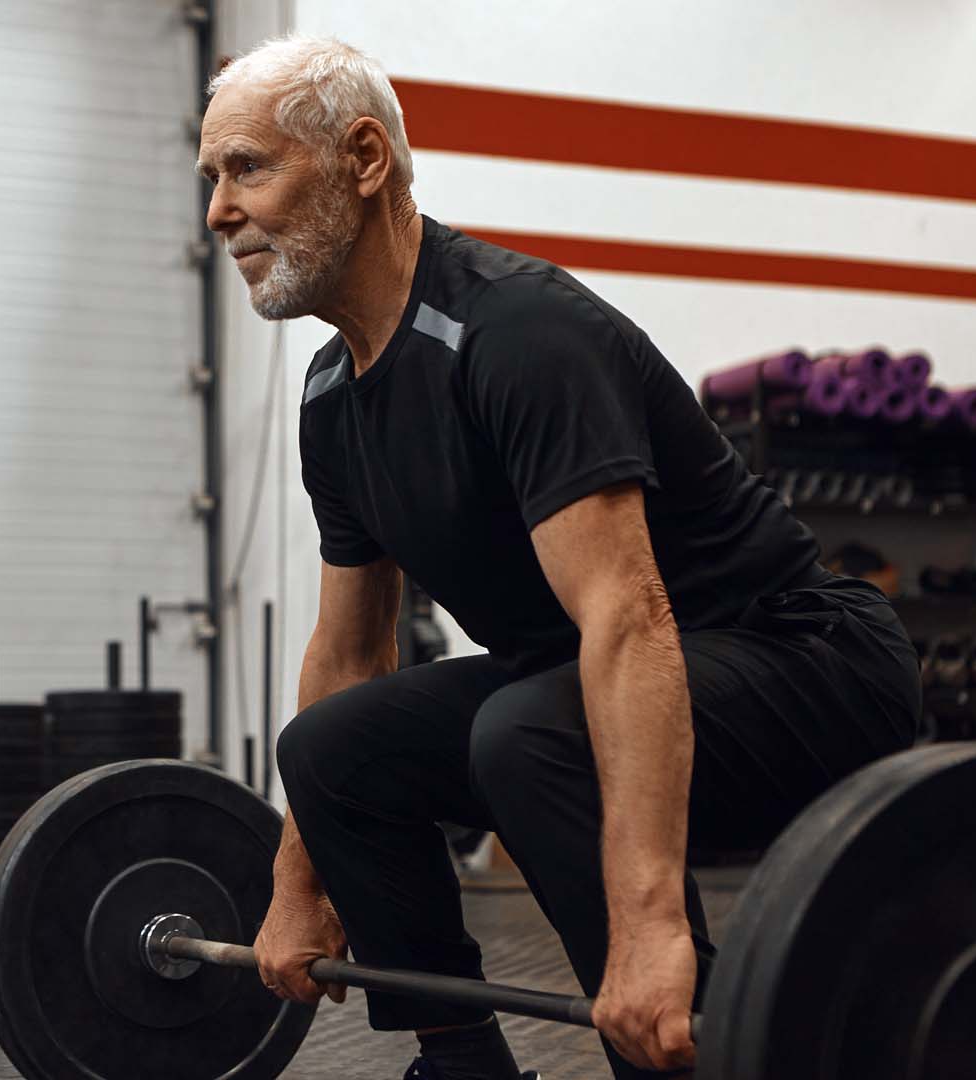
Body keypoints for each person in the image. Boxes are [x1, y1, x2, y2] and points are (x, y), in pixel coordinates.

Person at [195, 34, 921, 1080]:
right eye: (213, 177)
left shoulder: (519, 333)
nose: (218, 211)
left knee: (527, 731)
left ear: (363, 160)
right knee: (331, 745)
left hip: (809, 668)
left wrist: (650, 931)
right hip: (606, 679)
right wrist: (300, 884)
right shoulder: (332, 400)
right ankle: (459, 1064)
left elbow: (629, 619)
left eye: (249, 168)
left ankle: (678, 1055)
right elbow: (348, 657)